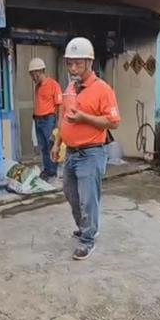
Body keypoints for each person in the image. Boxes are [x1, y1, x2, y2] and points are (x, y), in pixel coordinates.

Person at [58, 37, 120, 261]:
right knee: (70, 193)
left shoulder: (102, 89)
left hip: (91, 153)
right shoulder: (70, 88)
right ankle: (85, 226)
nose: (73, 68)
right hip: (71, 153)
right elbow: (64, 118)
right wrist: (58, 143)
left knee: (88, 199)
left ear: (89, 62)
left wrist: (84, 117)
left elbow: (113, 122)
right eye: (69, 63)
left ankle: (88, 239)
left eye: (78, 63)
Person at [29, 57, 63, 180]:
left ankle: (53, 171)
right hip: (38, 119)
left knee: (51, 146)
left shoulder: (53, 85)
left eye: (33, 74)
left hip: (49, 119)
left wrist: (58, 123)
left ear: (39, 72)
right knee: (43, 147)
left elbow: (60, 105)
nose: (32, 77)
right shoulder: (37, 87)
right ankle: (47, 170)